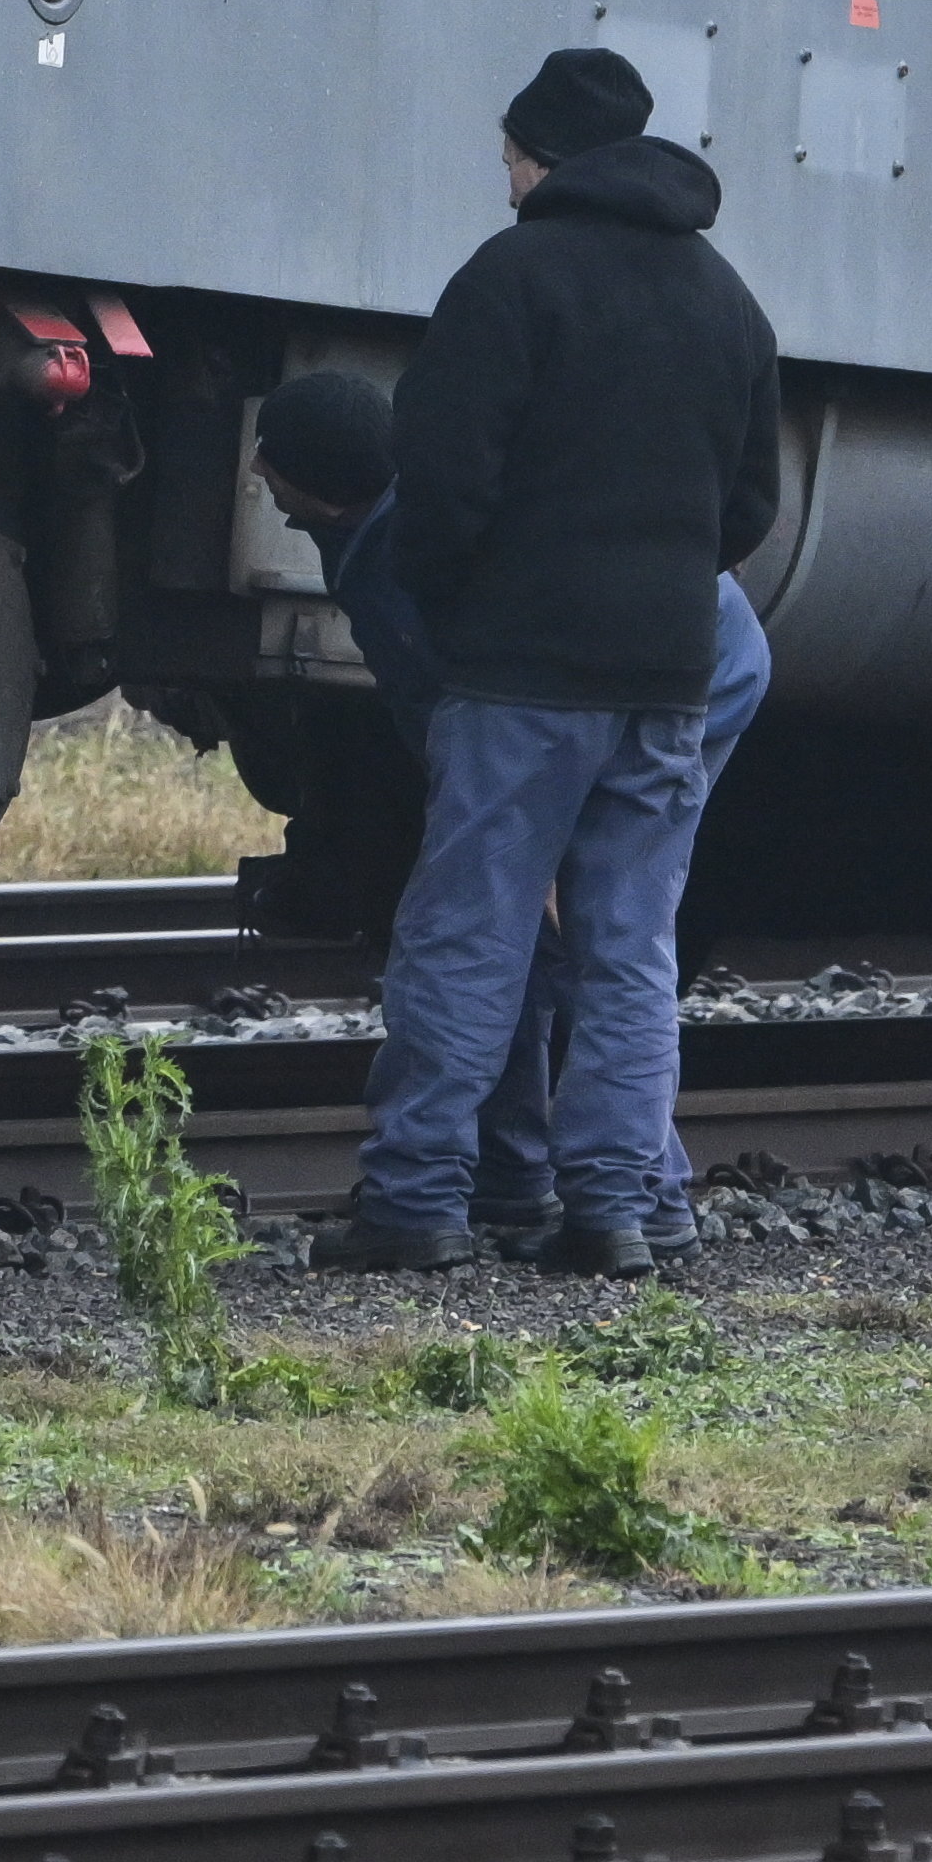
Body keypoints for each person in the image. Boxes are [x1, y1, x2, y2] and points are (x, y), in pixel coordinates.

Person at [315, 46, 785, 1282]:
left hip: (524, 678)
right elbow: (747, 509)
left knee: (469, 934)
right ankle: (619, 1209)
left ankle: (418, 1201)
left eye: (511, 155)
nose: (506, 176)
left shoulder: (511, 278)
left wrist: (474, 602)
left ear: (544, 157)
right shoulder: (727, 300)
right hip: (667, 678)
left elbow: (444, 478)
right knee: (631, 948)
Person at [259, 358, 773, 1262]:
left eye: (271, 465)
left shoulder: (399, 557)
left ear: (320, 486)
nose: (259, 479)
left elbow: (439, 700)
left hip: (677, 673)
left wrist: (532, 846)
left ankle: (632, 1193)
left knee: (574, 929)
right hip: (673, 655)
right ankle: (541, 1178)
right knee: (563, 932)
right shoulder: (384, 525)